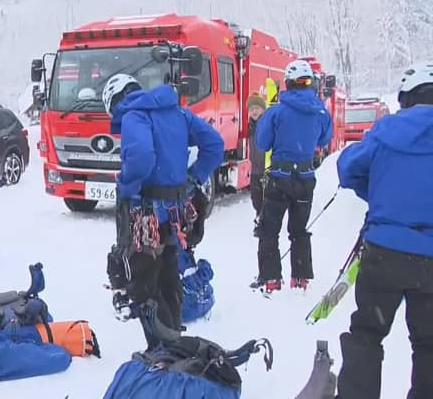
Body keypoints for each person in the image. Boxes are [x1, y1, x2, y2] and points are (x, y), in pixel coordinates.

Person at [103, 74, 224, 349]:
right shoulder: (178, 113)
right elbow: (214, 145)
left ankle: (161, 350)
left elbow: (142, 156)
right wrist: (194, 177)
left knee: (144, 285)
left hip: (146, 216)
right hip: (176, 213)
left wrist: (127, 185)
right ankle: (174, 344)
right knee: (169, 278)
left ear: (116, 100)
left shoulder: (135, 116)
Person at [335, 61, 433, 399]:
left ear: (406, 97)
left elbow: (348, 169)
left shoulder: (388, 130)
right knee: (430, 343)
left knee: (366, 334)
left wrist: (381, 193)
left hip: (384, 254)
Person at [251, 60, 332, 294]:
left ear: (287, 82)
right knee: (299, 230)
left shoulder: (276, 111)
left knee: (269, 230)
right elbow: (324, 139)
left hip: (279, 177)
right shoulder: (320, 111)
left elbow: (262, 142)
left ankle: (272, 280)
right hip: (305, 177)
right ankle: (300, 279)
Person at [247, 92, 267, 224]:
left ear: (263, 109)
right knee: (255, 196)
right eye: (251, 109)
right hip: (254, 168)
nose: (254, 111)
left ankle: (263, 219)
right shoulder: (250, 126)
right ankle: (259, 215)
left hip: (265, 168)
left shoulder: (265, 124)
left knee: (265, 196)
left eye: (257, 108)